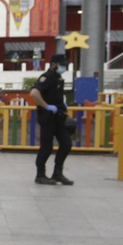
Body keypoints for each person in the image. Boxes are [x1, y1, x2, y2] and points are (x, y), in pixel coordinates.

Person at [29, 52, 73, 185]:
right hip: (48, 117)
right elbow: (34, 93)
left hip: (59, 117)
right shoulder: (47, 77)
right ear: (54, 64)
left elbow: (54, 95)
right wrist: (46, 106)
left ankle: (57, 173)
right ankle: (40, 175)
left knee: (66, 144)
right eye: (62, 65)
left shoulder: (58, 78)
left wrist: (62, 105)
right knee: (47, 147)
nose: (64, 68)